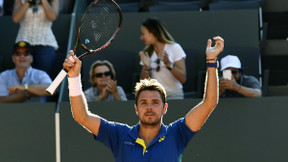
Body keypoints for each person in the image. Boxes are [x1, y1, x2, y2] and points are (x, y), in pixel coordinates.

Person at [63, 36, 224, 161]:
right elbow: (81, 116)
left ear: (164, 108)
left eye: (155, 102)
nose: (149, 107)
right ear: (136, 109)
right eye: (143, 103)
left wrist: (211, 62)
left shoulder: (178, 133)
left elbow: (210, 103)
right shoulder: (119, 135)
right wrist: (74, 77)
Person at [138, 17, 186, 100]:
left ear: (153, 33)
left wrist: (168, 64)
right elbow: (143, 84)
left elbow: (183, 79)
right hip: (155, 98)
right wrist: (147, 67)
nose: (141, 38)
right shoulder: (147, 52)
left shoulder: (175, 48)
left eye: (143, 34)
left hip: (175, 96)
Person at [12, 0, 59, 77]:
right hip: (24, 41)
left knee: (44, 75)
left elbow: (52, 17)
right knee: (23, 75)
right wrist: (28, 2)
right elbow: (15, 19)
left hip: (45, 42)